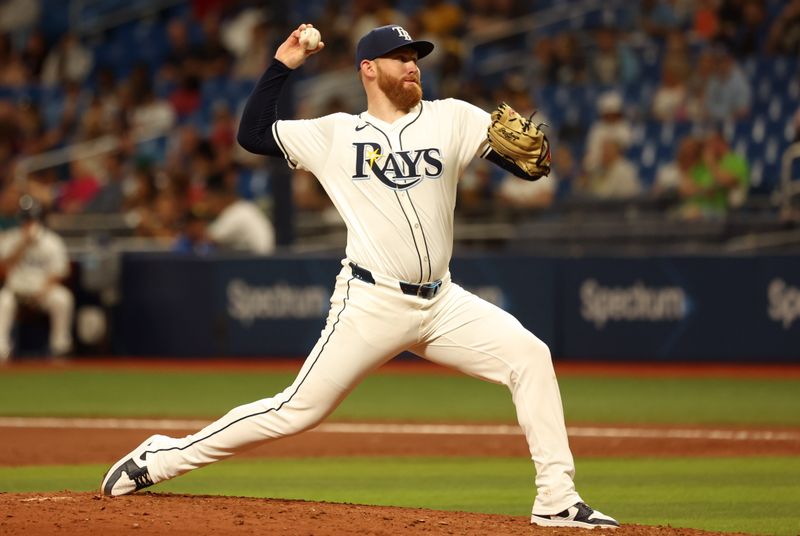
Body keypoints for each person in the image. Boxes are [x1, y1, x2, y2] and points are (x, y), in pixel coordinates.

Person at [101, 23, 618, 530]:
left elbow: (526, 162)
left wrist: (533, 161)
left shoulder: (453, 118)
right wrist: (284, 64)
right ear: (368, 69)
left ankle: (557, 498)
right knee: (296, 411)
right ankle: (162, 458)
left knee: (530, 355)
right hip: (372, 302)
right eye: (401, 57)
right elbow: (252, 134)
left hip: (442, 303)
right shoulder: (336, 133)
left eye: (416, 57)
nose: (413, 65)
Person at [0, 195, 74, 362]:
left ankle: (60, 348)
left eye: (31, 218)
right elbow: (3, 269)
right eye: (25, 218)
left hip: (42, 291)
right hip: (16, 291)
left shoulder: (52, 242)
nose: (28, 222)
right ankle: (1, 350)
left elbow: (60, 271)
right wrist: (22, 245)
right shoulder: (11, 238)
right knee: (2, 300)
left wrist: (44, 289)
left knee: (62, 299)